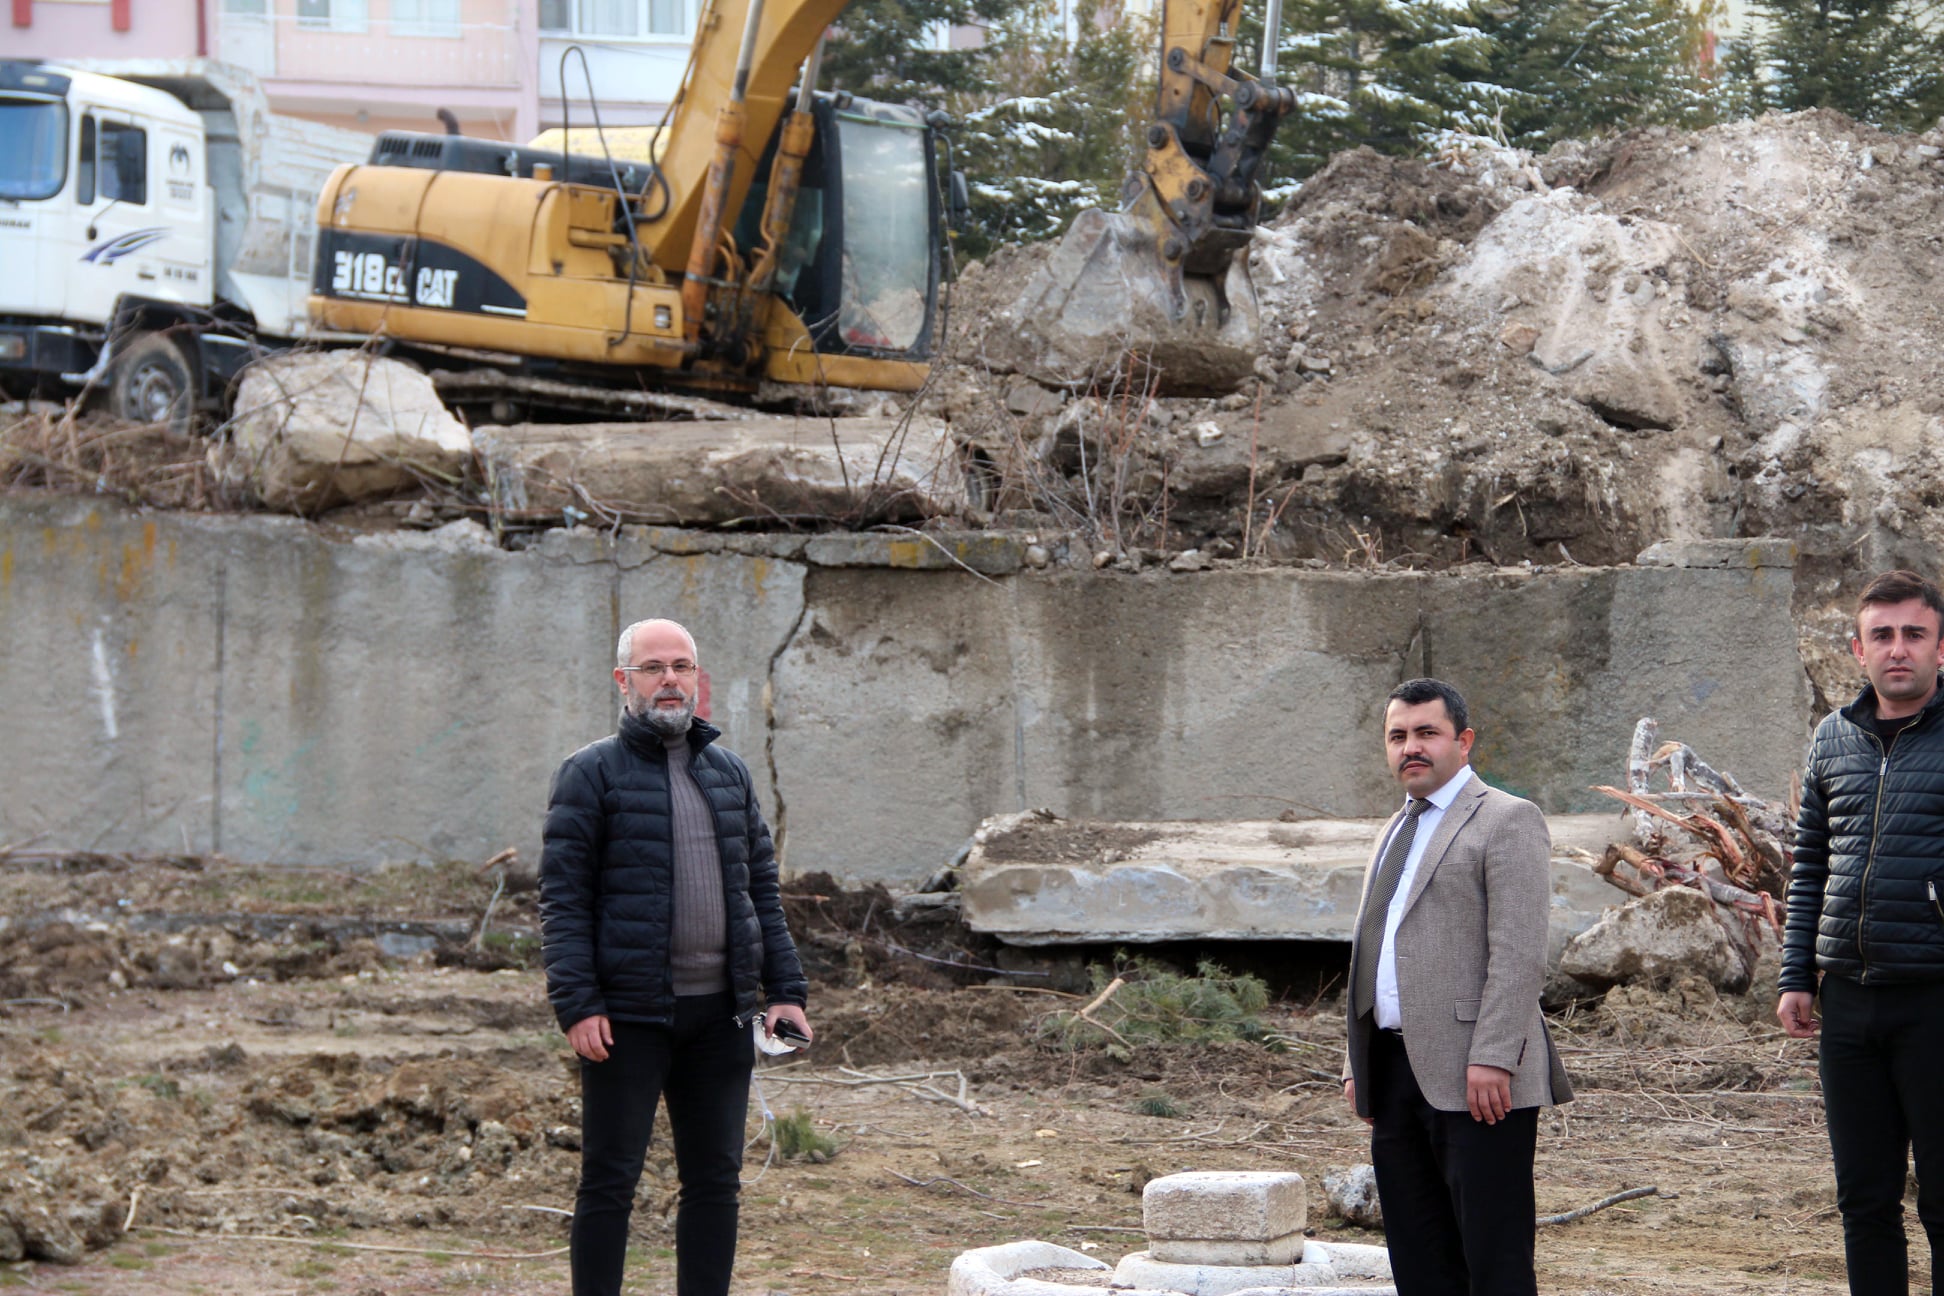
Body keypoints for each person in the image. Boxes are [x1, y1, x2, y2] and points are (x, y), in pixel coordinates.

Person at [540, 617, 812, 1296]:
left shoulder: (729, 773)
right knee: (609, 1182)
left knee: (715, 1182)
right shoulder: (588, 774)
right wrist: (577, 1004)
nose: (670, 680)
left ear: (698, 679)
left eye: (682, 666)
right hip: (624, 1022)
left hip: (720, 1019)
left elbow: (761, 895)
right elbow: (562, 901)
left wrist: (785, 992)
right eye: (654, 667)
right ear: (623, 681)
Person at [1341, 677, 1572, 1296]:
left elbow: (1520, 953)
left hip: (1479, 1078)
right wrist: (1354, 1060)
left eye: (1426, 733)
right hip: (1393, 1071)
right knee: (1419, 1261)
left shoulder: (1507, 819)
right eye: (1398, 736)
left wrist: (1494, 1055)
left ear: (1463, 741)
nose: (1410, 747)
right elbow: (1374, 947)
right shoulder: (1395, 830)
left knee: (1492, 1263)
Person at [1778, 569, 1944, 1295]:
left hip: (1937, 1002)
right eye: (1882, 635)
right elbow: (1810, 862)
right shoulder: (1833, 738)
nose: (1897, 649)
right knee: (1864, 1201)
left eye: (1914, 634)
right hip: (1847, 1001)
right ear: (1857, 649)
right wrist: (1794, 976)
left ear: (1943, 648)